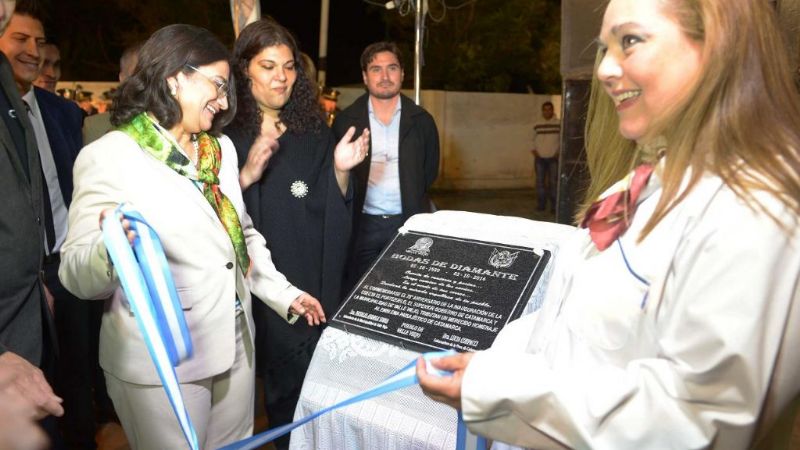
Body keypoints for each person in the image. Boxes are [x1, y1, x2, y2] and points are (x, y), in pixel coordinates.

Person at [417, 0, 800, 448]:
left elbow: (700, 423)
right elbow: (578, 313)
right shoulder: (639, 183)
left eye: (630, 41)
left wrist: (499, 391)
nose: (603, 70)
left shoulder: (757, 209)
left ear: (715, 46)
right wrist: (490, 365)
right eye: (604, 48)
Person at [58, 24, 326, 450]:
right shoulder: (110, 156)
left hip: (236, 348)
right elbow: (74, 273)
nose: (222, 101)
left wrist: (283, 293)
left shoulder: (218, 152)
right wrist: (111, 252)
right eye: (217, 85)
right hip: (160, 362)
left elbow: (241, 235)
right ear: (174, 77)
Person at [224, 18, 369, 450]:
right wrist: (246, 176)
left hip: (307, 270)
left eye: (288, 66)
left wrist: (341, 171)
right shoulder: (225, 136)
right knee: (256, 399)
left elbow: (331, 205)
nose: (281, 77)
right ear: (244, 69)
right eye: (268, 66)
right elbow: (212, 209)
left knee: (306, 393)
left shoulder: (312, 132)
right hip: (254, 280)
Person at [0, 0, 64, 447]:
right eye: (19, 38)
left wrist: (35, 271)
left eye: (38, 42)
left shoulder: (50, 113)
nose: (33, 51)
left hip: (43, 286)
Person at [332, 41, 440, 293]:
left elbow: (429, 171)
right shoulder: (346, 122)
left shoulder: (422, 121)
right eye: (376, 69)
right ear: (365, 76)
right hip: (362, 227)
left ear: (402, 74)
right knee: (361, 295)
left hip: (407, 225)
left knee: (406, 294)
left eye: (391, 68)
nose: (384, 76)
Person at [83, 41, 142, 144]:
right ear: (122, 78)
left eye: (153, 74)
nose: (146, 83)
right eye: (138, 75)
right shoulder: (95, 127)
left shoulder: (175, 127)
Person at [530, 100, 560, 212]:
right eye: (545, 110)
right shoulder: (536, 124)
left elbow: (563, 140)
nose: (547, 112)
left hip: (554, 158)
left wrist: (558, 152)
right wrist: (535, 153)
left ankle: (554, 207)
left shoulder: (559, 123)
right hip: (540, 159)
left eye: (549, 109)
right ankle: (541, 205)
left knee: (554, 183)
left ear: (553, 110)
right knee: (540, 183)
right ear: (542, 111)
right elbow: (530, 139)